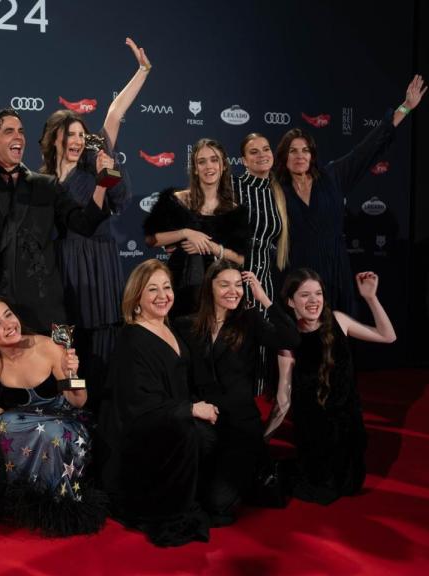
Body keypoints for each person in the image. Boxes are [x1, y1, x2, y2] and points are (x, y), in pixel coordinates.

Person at [40, 37, 149, 411]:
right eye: (67, 135)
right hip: (64, 267)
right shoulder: (43, 181)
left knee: (101, 343)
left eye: (79, 135)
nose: (75, 140)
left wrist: (142, 71)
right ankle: (70, 417)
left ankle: (101, 415)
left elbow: (115, 114)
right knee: (68, 351)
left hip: (99, 262)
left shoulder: (94, 164)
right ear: (54, 139)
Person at [0, 108, 110, 333]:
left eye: (21, 131)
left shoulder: (48, 185)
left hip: (44, 308)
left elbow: (84, 224)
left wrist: (102, 183)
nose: (18, 137)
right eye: (9, 131)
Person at [274, 75, 427, 313]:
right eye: (293, 151)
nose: (300, 155)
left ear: (312, 155)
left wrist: (405, 107)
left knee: (336, 339)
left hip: (335, 274)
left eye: (305, 150)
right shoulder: (276, 190)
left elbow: (368, 148)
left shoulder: (333, 176)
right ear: (284, 157)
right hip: (295, 276)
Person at [0, 295, 106, 536]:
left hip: (67, 425)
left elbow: (79, 401)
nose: (8, 325)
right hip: (26, 432)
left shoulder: (48, 346)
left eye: (8, 315)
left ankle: (61, 506)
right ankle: (29, 503)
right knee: (4, 422)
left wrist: (72, 374)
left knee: (41, 428)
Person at [100, 259, 215, 547]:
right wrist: (189, 410)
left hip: (171, 417)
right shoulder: (132, 339)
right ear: (136, 297)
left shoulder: (169, 326)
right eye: (153, 289)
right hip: (145, 432)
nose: (163, 295)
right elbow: (139, 403)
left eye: (167, 287)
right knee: (192, 434)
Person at [174, 260, 299, 525]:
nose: (234, 291)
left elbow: (290, 339)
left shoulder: (250, 320)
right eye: (224, 284)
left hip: (241, 426)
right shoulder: (186, 325)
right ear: (210, 288)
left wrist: (264, 298)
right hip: (205, 423)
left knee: (218, 506)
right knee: (187, 498)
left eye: (238, 285)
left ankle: (252, 465)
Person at [265, 269, 396, 505]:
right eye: (305, 295)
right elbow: (283, 399)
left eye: (318, 293)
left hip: (349, 431)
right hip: (314, 434)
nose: (314, 301)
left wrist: (370, 298)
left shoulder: (339, 320)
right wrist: (262, 440)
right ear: (290, 301)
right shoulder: (289, 340)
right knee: (322, 491)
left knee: (348, 486)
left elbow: (388, 337)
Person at [143, 138, 250, 317]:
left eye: (214, 160)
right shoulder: (176, 200)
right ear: (194, 168)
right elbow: (151, 238)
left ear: (223, 165)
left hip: (219, 291)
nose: (209, 166)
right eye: (202, 161)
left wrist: (209, 246)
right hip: (179, 284)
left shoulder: (235, 210)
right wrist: (186, 233)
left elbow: (240, 258)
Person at [234, 133, 288, 305]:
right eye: (254, 152)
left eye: (266, 149)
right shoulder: (231, 186)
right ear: (244, 160)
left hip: (266, 282)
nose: (262, 155)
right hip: (234, 280)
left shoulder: (278, 192)